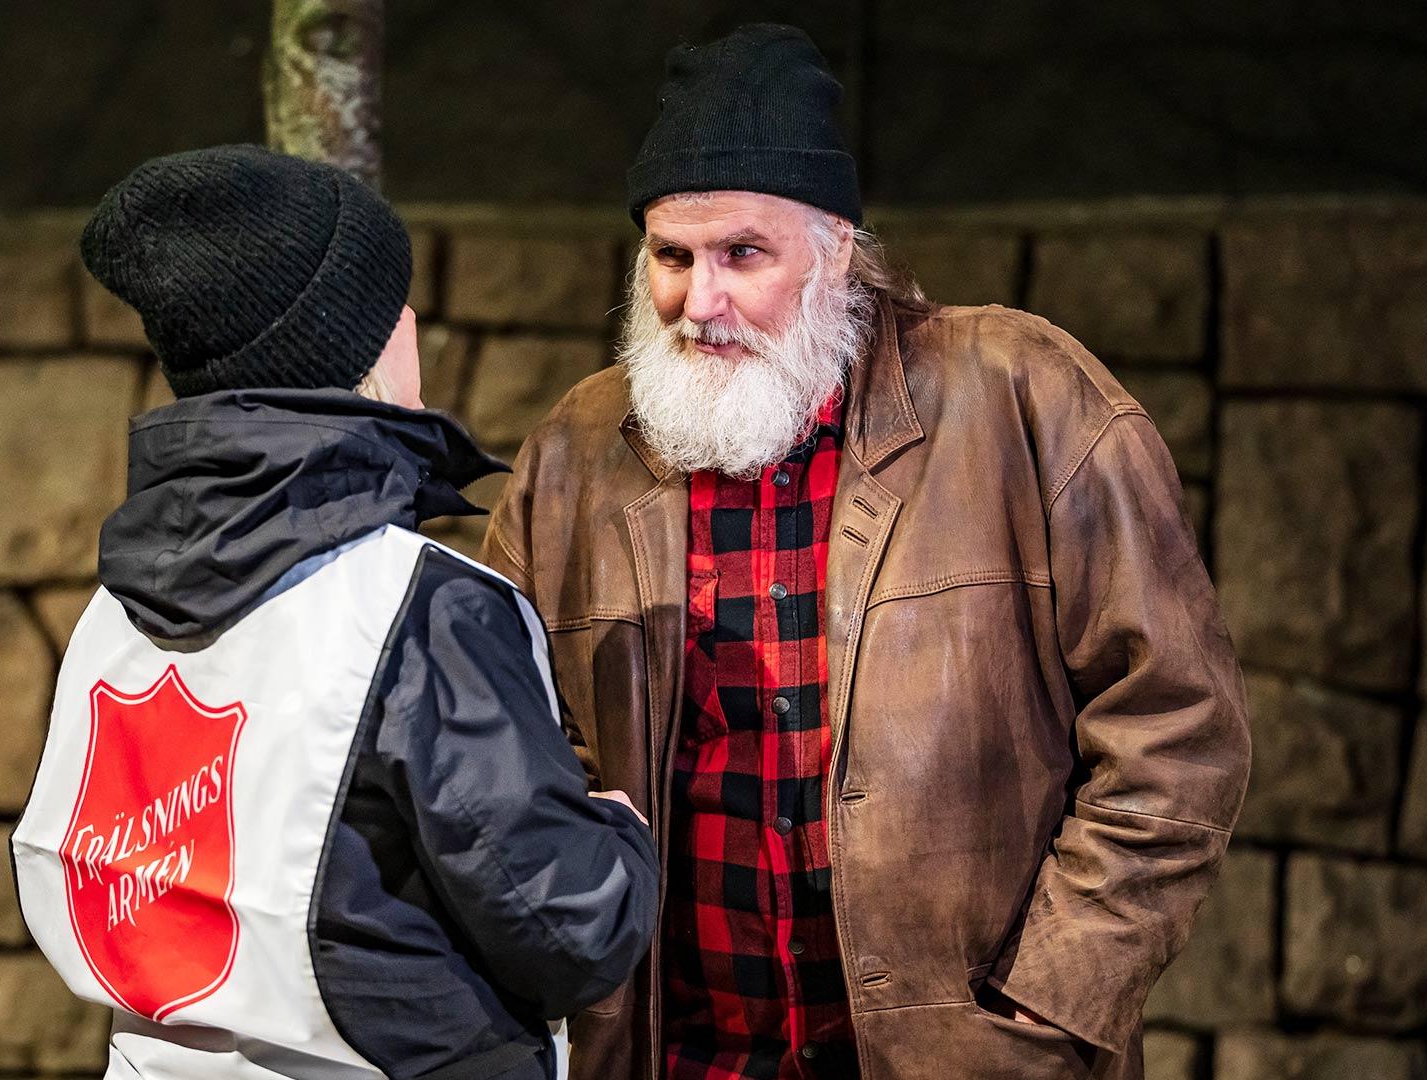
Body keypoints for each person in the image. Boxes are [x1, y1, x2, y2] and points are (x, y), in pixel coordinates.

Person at [481, 24, 1251, 1080]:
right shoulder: (575, 451)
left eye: (742, 254)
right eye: (672, 257)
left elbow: (1175, 730)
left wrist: (1044, 1017)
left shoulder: (1020, 396)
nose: (699, 303)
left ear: (837, 247)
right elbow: (509, 746)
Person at [11, 144, 658, 1080]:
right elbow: (571, 928)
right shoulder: (422, 608)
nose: (413, 326)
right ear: (353, 342)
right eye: (396, 305)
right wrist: (620, 836)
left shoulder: (116, 609)